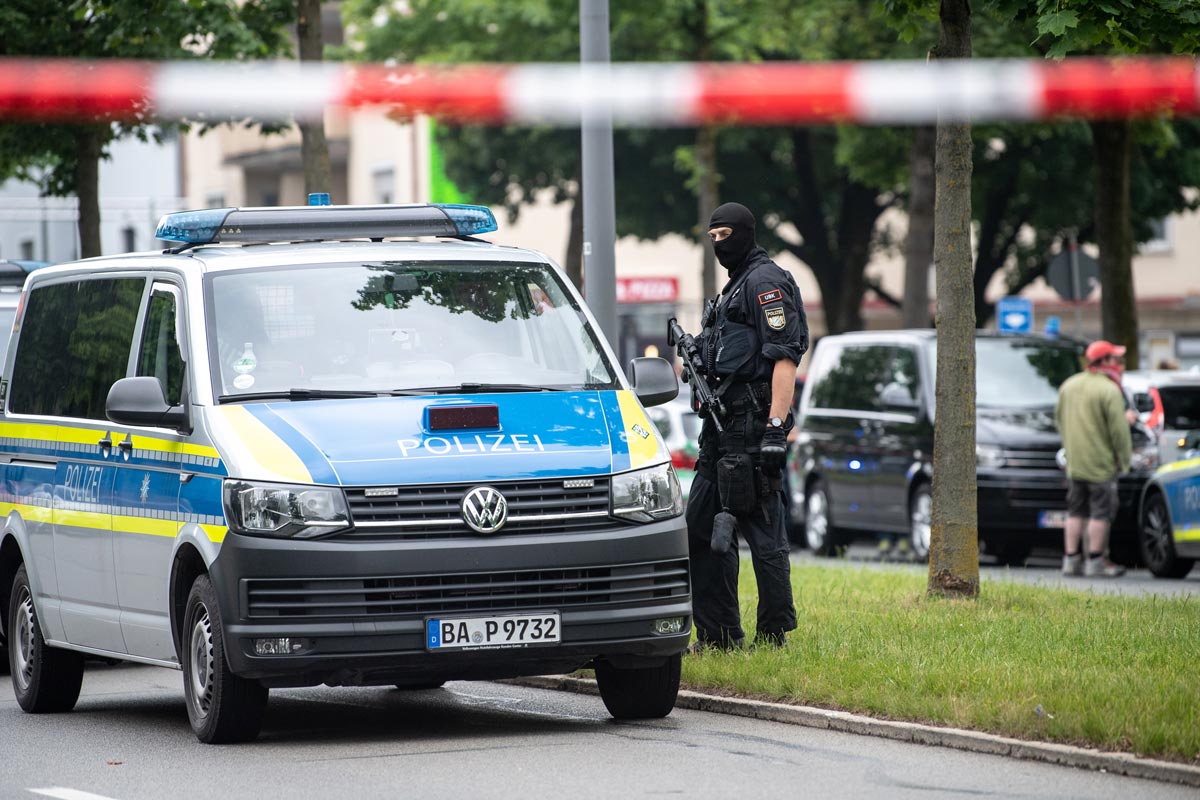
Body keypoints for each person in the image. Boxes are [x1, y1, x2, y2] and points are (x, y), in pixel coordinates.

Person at [685, 202, 808, 650]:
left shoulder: (765, 282)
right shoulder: (732, 290)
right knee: (700, 528)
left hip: (753, 430)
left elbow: (784, 358)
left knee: (763, 533)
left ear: (745, 233)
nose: (719, 244)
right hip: (718, 432)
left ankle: (774, 637)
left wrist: (776, 429)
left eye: (724, 235)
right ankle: (718, 636)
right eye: (711, 237)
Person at [1054, 340, 1132, 578]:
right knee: (1101, 512)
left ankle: (1070, 559)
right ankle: (1096, 561)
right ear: (1105, 361)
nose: (1119, 364)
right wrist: (1125, 459)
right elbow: (1118, 431)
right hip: (1101, 463)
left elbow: (1059, 420)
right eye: (1115, 359)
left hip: (1075, 463)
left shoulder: (1069, 385)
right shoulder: (1109, 390)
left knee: (1075, 510)